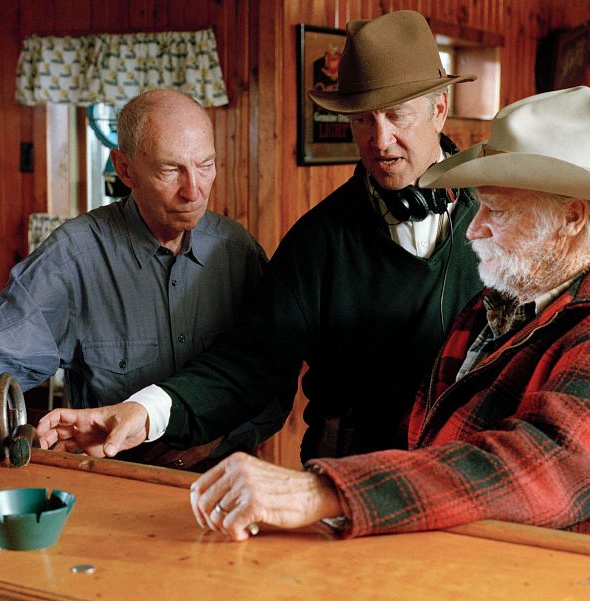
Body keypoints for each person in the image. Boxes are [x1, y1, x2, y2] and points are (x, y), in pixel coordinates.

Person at [186, 86, 590, 541]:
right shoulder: (514, 292)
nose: (473, 230)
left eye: (498, 211)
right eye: (479, 207)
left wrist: (324, 492)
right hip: (462, 548)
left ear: (572, 218)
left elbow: (535, 468)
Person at [34, 10, 483, 463]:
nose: (380, 139)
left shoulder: (501, 220)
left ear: (439, 109)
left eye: (396, 116)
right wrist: (142, 411)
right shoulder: (317, 241)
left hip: (470, 474)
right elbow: (248, 363)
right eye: (364, 120)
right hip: (347, 478)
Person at [0, 88, 282, 470]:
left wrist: (215, 440)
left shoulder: (238, 252)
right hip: (114, 485)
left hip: (228, 481)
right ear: (125, 169)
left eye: (205, 165)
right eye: (171, 170)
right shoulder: (75, 256)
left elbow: (272, 377)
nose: (194, 190)